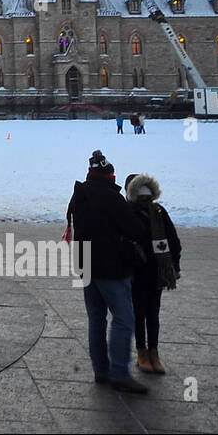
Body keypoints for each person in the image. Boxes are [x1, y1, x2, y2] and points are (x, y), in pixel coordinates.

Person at [65, 150, 149, 393]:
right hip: (111, 268)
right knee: (124, 319)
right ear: (109, 175)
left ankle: (101, 371)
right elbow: (135, 230)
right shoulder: (112, 198)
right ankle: (120, 373)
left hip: (87, 265)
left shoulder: (80, 195)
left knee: (96, 320)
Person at [126, 173, 181, 376]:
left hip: (150, 273)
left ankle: (151, 353)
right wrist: (173, 265)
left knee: (148, 314)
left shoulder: (157, 213)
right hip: (145, 273)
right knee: (144, 314)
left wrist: (173, 264)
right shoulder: (135, 213)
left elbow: (173, 241)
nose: (145, 201)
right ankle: (145, 353)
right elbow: (174, 242)